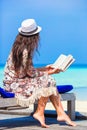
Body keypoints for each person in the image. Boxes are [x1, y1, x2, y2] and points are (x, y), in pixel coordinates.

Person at [3, 19, 76, 128]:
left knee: (48, 80)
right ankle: (46, 113)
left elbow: (27, 70)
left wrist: (44, 69)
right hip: (16, 85)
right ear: (34, 36)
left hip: (13, 81)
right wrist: (50, 72)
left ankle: (55, 113)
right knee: (48, 80)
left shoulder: (19, 48)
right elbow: (29, 74)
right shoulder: (25, 52)